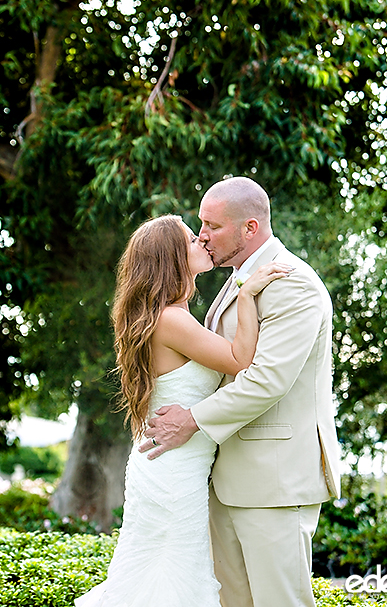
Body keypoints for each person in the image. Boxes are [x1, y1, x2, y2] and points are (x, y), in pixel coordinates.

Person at [139, 177, 342, 606]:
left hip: (273, 481)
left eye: (213, 226)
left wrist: (191, 420)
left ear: (250, 228)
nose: (203, 235)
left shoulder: (292, 283)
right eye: (200, 224)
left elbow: (266, 380)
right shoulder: (235, 282)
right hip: (221, 478)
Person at [75, 214, 291, 607]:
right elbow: (240, 359)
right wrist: (246, 295)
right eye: (193, 239)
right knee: (169, 581)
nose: (203, 242)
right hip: (171, 475)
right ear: (172, 257)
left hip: (174, 468)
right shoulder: (170, 319)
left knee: (165, 579)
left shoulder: (171, 314)